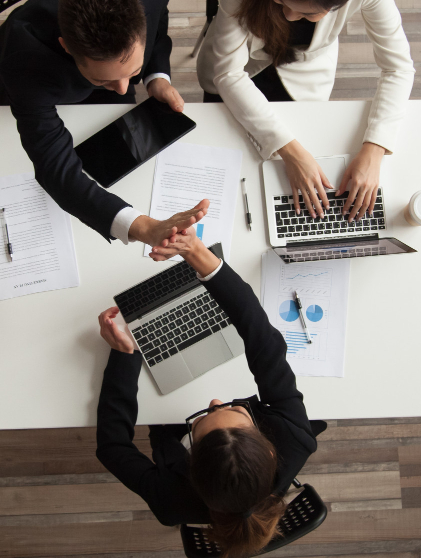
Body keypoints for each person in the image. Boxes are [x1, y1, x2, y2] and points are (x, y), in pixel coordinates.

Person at [94, 228, 326, 557]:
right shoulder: (294, 438)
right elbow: (264, 340)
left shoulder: (170, 501)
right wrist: (199, 255)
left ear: (191, 466)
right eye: (233, 411)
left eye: (202, 421)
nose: (215, 401)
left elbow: (112, 446)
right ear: (270, 451)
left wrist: (125, 357)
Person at [197, 0, 415, 222]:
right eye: (280, 1)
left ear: (342, 0)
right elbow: (227, 73)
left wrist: (375, 148)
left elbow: (398, 66)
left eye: (308, 14)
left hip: (305, 66)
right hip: (239, 61)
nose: (288, 16)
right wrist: (290, 151)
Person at [0, 0, 198, 256]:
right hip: (37, 74)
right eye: (106, 81)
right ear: (67, 47)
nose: (125, 90)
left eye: (131, 73)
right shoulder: (23, 66)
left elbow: (158, 18)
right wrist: (143, 227)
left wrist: (154, 76)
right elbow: (55, 169)